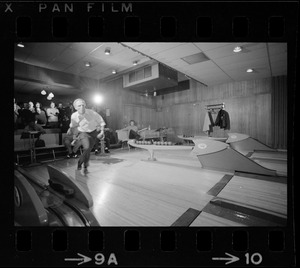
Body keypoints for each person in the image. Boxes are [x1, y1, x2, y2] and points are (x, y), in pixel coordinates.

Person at [69, 98, 106, 173]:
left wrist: (102, 132)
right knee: (86, 147)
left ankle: (85, 164)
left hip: (93, 132)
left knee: (88, 150)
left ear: (85, 105)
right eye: (79, 106)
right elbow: (73, 126)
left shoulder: (92, 113)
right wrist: (74, 138)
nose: (82, 107)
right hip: (83, 132)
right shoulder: (74, 116)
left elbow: (101, 121)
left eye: (83, 105)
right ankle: (80, 163)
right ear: (75, 107)